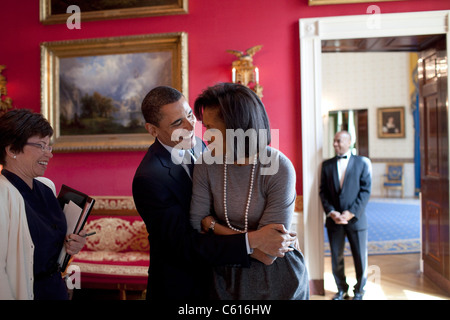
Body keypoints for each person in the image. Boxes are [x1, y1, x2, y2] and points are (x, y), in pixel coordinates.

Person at [132, 86, 297, 300]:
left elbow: (270, 248)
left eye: (190, 114)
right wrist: (253, 240)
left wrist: (211, 225)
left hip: (248, 280)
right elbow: (186, 244)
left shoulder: (202, 147)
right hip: (184, 286)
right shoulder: (150, 178)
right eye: (177, 123)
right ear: (153, 130)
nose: (192, 126)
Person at [189, 83, 309, 300]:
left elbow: (268, 254)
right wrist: (256, 238)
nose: (205, 137)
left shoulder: (279, 167)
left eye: (211, 129)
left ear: (238, 128)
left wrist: (213, 225)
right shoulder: (205, 164)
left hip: (277, 279)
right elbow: (197, 226)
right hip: (222, 276)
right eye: (205, 128)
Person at [0, 109, 86, 300]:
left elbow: (53, 243)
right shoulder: (2, 194)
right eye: (41, 146)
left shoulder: (46, 188)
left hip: (55, 288)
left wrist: (72, 244)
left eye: (49, 147)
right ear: (12, 149)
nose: (49, 154)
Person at [319, 130, 372, 300]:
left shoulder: (362, 163)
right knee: (336, 257)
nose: (335, 144)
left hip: (356, 220)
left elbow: (365, 191)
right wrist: (332, 212)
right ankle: (341, 289)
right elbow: (323, 192)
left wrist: (351, 213)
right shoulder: (326, 165)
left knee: (360, 257)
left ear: (349, 142)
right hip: (334, 221)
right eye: (334, 141)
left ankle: (359, 291)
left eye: (339, 141)